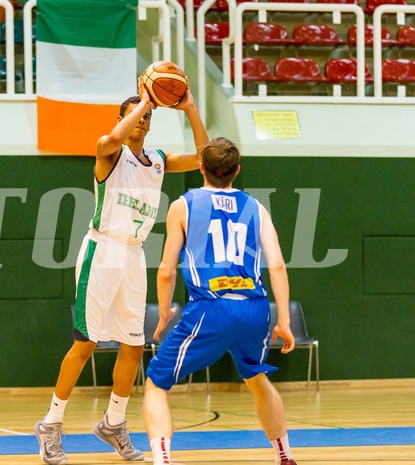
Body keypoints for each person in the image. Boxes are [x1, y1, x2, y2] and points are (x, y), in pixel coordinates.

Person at [34, 77, 209, 465]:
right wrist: (144, 103)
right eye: (133, 115)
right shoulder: (110, 153)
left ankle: (113, 422)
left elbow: (204, 158)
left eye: (147, 116)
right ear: (124, 118)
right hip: (102, 249)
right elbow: (107, 142)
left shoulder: (159, 161)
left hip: (133, 255)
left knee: (133, 346)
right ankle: (51, 423)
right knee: (86, 344)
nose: (142, 121)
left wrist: (191, 109)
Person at [143, 137, 298, 465]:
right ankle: (284, 455)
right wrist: (283, 320)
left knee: (156, 381)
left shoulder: (183, 205)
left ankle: (163, 460)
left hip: (210, 307)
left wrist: (165, 311)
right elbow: (278, 265)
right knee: (257, 378)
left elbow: (167, 271)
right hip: (255, 307)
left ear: (201, 168)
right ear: (236, 171)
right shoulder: (256, 207)